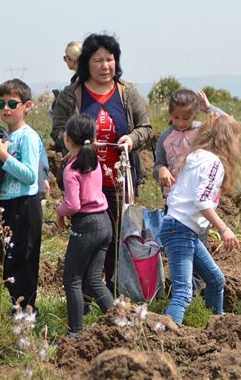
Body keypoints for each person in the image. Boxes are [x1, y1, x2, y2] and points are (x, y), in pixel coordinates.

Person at [51, 33, 151, 294]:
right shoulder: (72, 95)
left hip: (120, 183)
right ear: (86, 63)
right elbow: (58, 130)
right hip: (85, 183)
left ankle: (117, 293)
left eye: (110, 59)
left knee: (120, 241)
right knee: (88, 243)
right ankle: (87, 297)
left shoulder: (126, 93)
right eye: (98, 60)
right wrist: (82, 146)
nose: (105, 66)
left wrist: (132, 139)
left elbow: (146, 127)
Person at [158, 113, 241, 325]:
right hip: (181, 229)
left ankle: (215, 328)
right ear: (227, 140)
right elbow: (202, 201)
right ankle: (164, 341)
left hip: (179, 227)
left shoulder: (196, 155)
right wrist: (224, 229)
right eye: (236, 140)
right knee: (183, 293)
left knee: (215, 280)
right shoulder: (214, 163)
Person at [153, 88, 227, 294]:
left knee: (196, 251)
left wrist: (208, 108)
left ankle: (192, 296)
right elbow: (157, 164)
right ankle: (184, 295)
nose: (181, 122)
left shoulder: (202, 131)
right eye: (176, 117)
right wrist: (162, 171)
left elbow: (229, 124)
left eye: (186, 117)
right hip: (174, 202)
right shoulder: (166, 137)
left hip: (198, 204)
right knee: (180, 253)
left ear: (195, 114)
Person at [56, 114, 114, 336]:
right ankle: (120, 324)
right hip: (104, 222)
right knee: (93, 278)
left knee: (72, 279)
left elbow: (73, 204)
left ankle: (75, 333)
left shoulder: (72, 171)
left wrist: (58, 212)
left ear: (68, 138)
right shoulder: (94, 161)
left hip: (86, 225)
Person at [0, 78, 43, 312]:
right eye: (1, 104)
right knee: (8, 261)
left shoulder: (28, 137)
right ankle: (17, 307)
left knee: (24, 260)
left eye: (12, 103)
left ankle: (27, 312)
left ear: (28, 106)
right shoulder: (3, 136)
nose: (7, 109)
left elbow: (30, 175)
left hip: (25, 205)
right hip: (5, 206)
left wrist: (4, 156)